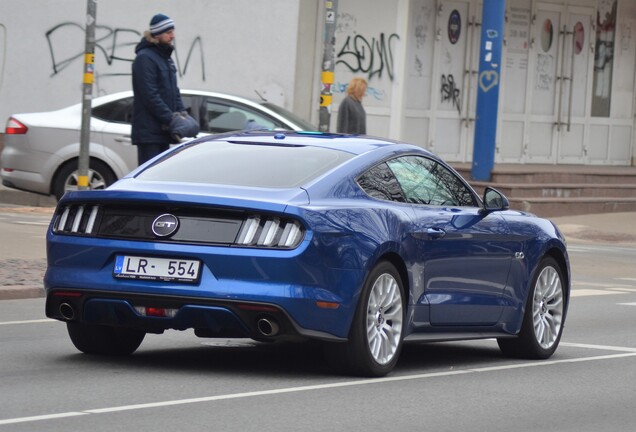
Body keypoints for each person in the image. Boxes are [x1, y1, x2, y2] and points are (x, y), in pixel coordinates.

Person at [131, 13, 187, 165]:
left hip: (163, 131)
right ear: (157, 34)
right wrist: (171, 118)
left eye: (172, 32)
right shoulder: (145, 58)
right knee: (149, 179)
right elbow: (150, 95)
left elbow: (174, 91)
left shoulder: (165, 58)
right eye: (169, 33)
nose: (172, 36)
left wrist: (182, 114)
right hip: (149, 134)